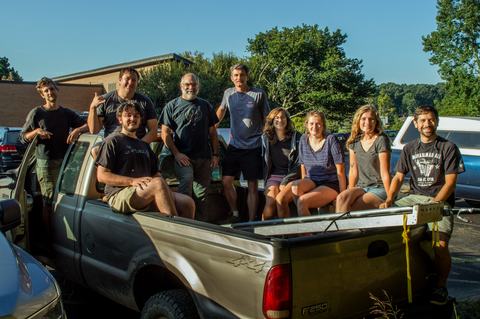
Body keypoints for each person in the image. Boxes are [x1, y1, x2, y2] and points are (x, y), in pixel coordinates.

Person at [380, 105, 464, 305]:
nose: (428, 124)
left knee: (440, 245)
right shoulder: (409, 148)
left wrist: (434, 206)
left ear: (436, 121)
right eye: (423, 120)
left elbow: (450, 182)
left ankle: (440, 286)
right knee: (384, 225)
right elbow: (399, 177)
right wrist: (389, 199)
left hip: (439, 201)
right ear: (416, 125)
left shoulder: (448, 147)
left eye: (431, 119)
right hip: (414, 198)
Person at [96, 101, 194, 218]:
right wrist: (132, 181)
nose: (132, 118)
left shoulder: (144, 145)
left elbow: (156, 175)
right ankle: (174, 230)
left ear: (140, 120)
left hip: (143, 191)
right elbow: (102, 176)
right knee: (157, 184)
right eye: (128, 115)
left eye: (136, 116)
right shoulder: (112, 141)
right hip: (119, 194)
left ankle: (185, 232)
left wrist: (166, 192)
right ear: (120, 119)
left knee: (187, 202)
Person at [21, 77, 88, 232]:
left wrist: (78, 129)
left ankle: (61, 239)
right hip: (46, 163)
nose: (50, 92)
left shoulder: (66, 113)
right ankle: (48, 242)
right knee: (49, 201)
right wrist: (36, 132)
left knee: (65, 200)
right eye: (46, 91)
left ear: (57, 90)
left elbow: (88, 125)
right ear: (42, 95)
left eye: (52, 89)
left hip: (66, 163)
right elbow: (22, 137)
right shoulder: (36, 113)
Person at [216, 64, 270, 221]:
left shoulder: (258, 94)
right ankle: (235, 213)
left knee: (252, 185)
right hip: (234, 145)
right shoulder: (228, 93)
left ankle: (252, 221)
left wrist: (271, 137)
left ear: (247, 76)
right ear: (231, 77)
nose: (239, 78)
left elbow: (267, 118)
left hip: (253, 147)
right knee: (226, 181)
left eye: (242, 75)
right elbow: (221, 111)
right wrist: (210, 126)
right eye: (236, 75)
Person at [160, 73, 219, 205]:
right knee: (186, 180)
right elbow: (165, 133)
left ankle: (200, 223)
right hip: (183, 157)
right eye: (187, 84)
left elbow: (213, 132)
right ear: (181, 86)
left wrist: (215, 154)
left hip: (204, 158)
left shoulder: (206, 105)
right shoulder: (171, 106)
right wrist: (176, 154)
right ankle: (182, 220)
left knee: (202, 194)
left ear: (198, 86)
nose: (190, 87)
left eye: (194, 84)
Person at [335, 105, 391, 213]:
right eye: (363, 119)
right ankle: (340, 230)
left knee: (356, 205)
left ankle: (347, 229)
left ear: (376, 122)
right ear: (358, 121)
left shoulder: (381, 140)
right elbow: (353, 171)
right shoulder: (353, 142)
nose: (367, 122)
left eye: (371, 119)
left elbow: (385, 173)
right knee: (341, 198)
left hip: (379, 187)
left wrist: (390, 198)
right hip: (361, 187)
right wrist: (350, 191)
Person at [291, 111, 346, 216]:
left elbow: (341, 170)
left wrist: (342, 195)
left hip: (330, 183)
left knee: (302, 201)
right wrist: (304, 183)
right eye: (311, 123)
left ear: (323, 125)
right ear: (307, 124)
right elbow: (303, 166)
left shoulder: (331, 140)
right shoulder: (303, 139)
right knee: (295, 187)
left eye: (318, 123)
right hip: (312, 180)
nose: (314, 127)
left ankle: (308, 231)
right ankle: (310, 216)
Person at [87, 67, 158, 142]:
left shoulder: (145, 102)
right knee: (95, 150)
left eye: (134, 80)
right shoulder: (105, 100)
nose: (130, 82)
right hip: (112, 147)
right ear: (120, 80)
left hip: (136, 148)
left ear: (137, 83)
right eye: (127, 79)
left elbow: (153, 131)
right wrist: (92, 108)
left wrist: (139, 146)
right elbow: (93, 131)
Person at [261, 107, 300, 220]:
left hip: (292, 177)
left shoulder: (297, 137)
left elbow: (299, 164)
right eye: (276, 118)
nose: (280, 120)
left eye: (283, 117)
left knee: (280, 200)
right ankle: (262, 231)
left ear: (287, 120)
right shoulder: (266, 138)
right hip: (273, 176)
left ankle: (286, 233)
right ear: (272, 121)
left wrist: (286, 180)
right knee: (271, 200)